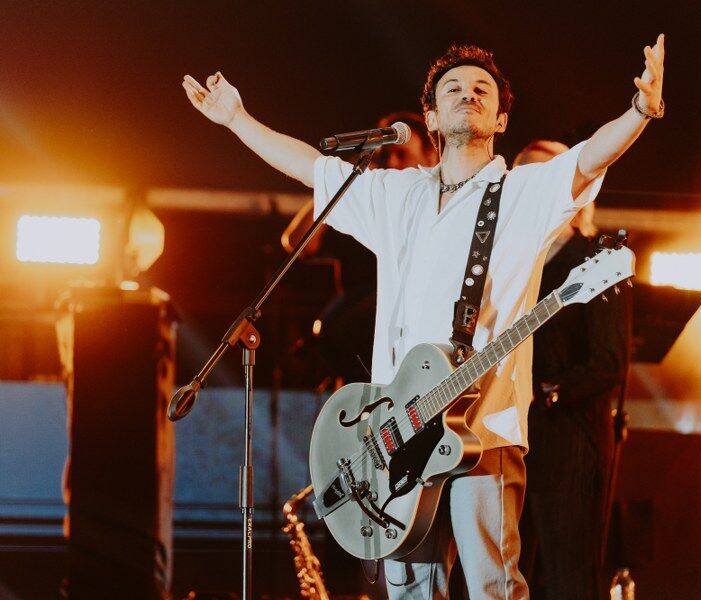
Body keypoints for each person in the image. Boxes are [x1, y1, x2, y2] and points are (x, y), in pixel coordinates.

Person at [182, 35, 665, 599]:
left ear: (501, 119)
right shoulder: (397, 194)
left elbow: (589, 156)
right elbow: (313, 168)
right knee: (412, 591)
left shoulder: (522, 193)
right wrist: (236, 119)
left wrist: (641, 109)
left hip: (484, 428)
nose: (468, 94)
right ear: (431, 117)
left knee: (493, 586)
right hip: (395, 431)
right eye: (453, 88)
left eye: (482, 89)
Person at [514, 140, 631, 599]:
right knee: (502, 572)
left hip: (569, 438)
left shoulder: (596, 259)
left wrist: (551, 391)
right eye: (524, 177)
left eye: (546, 174)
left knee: (571, 577)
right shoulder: (508, 261)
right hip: (508, 436)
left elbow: (609, 360)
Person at [281, 113, 437, 385]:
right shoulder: (366, 201)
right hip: (356, 352)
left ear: (431, 158)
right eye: (386, 155)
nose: (393, 163)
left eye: (402, 155)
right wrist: (342, 181)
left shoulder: (438, 207)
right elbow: (298, 242)